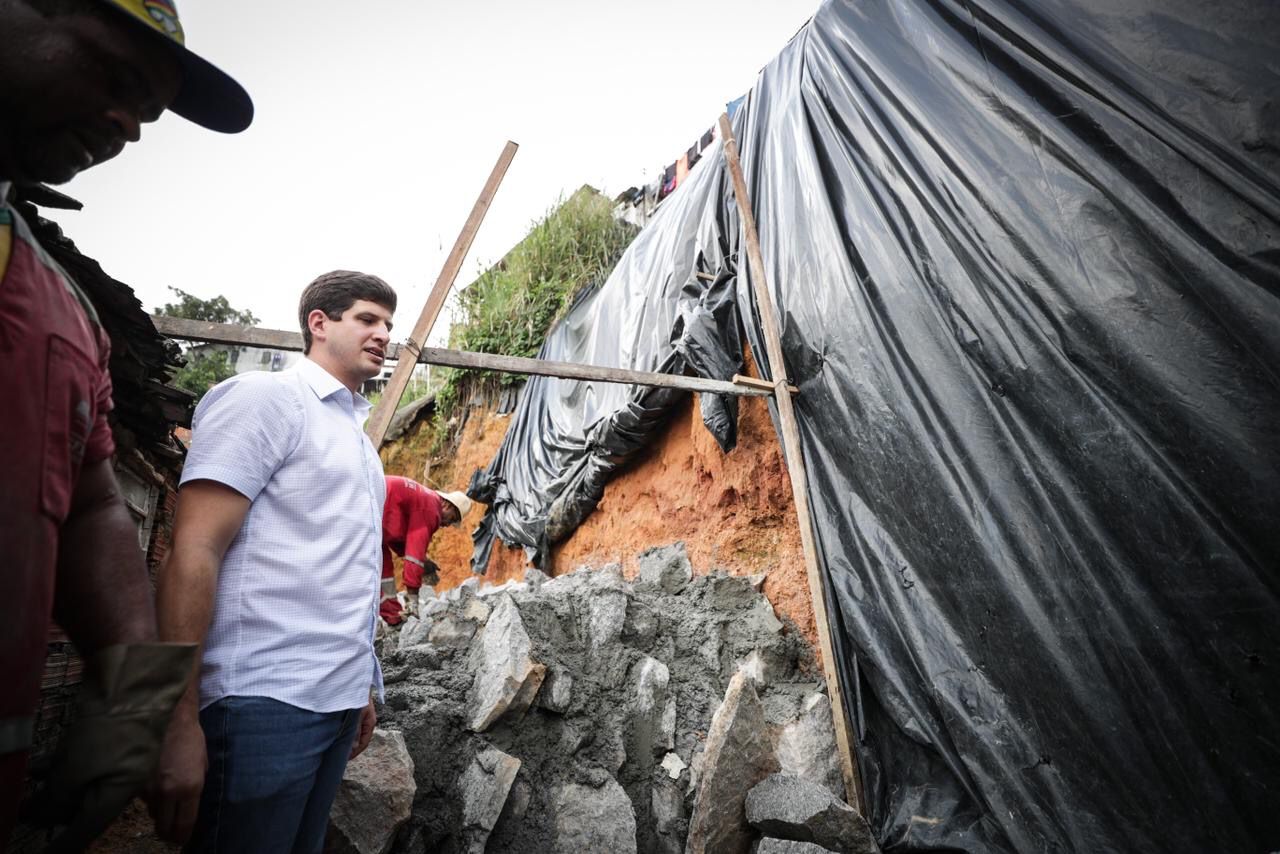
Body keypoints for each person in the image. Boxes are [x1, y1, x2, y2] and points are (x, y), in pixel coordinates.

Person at [0, 0, 251, 847]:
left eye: (147, 113)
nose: (128, 128)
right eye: (112, 74)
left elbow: (95, 508)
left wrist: (148, 714)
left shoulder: (65, 317)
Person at [149, 271, 397, 852]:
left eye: (389, 324)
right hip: (261, 704)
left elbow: (341, 573)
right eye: (367, 319)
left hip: (334, 703)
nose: (384, 334)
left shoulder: (357, 442)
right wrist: (177, 716)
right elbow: (194, 549)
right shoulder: (266, 400)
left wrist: (359, 685)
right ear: (319, 323)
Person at [379, 477, 472, 624]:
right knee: (372, 568)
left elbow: (399, 537)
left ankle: (393, 617)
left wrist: (424, 561)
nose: (447, 525)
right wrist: (413, 600)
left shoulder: (425, 499)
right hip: (370, 506)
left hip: (374, 509)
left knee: (381, 565)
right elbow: (413, 556)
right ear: (448, 505)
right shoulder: (431, 510)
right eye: (452, 519)